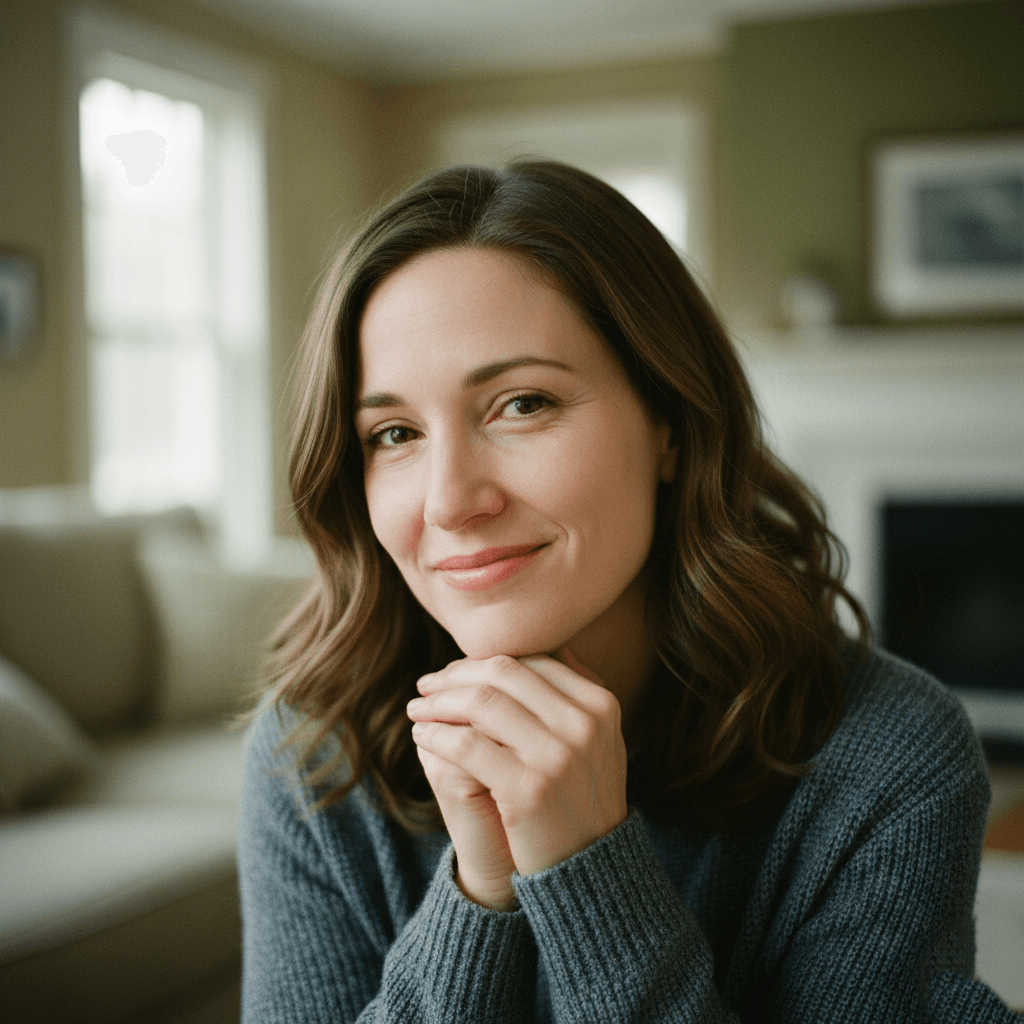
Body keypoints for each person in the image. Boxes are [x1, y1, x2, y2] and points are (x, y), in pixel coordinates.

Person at [238, 160, 1014, 1023]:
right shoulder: (314, 755)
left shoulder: (889, 760)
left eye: (523, 403)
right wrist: (478, 891)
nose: (450, 502)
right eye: (394, 433)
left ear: (671, 424)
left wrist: (588, 870)